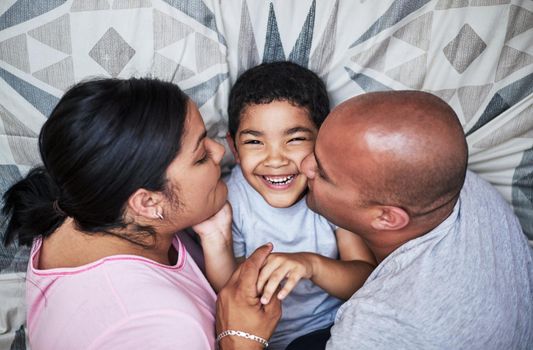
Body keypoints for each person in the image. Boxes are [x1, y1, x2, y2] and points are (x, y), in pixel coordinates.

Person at [215, 91, 533, 349]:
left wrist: (241, 344)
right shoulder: (449, 176)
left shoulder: (376, 327)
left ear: (386, 217)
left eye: (322, 172)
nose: (304, 166)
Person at [1, 78, 230, 349]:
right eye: (201, 156)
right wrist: (244, 342)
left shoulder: (77, 206)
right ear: (147, 203)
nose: (220, 152)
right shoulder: (167, 325)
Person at [197, 61, 375, 350]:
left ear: (323, 139)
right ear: (235, 149)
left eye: (294, 140)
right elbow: (231, 289)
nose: (275, 160)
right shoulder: (233, 199)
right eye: (255, 142)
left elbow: (363, 279)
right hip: (261, 340)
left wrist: (312, 265)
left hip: (331, 326)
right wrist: (214, 239)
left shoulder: (332, 190)